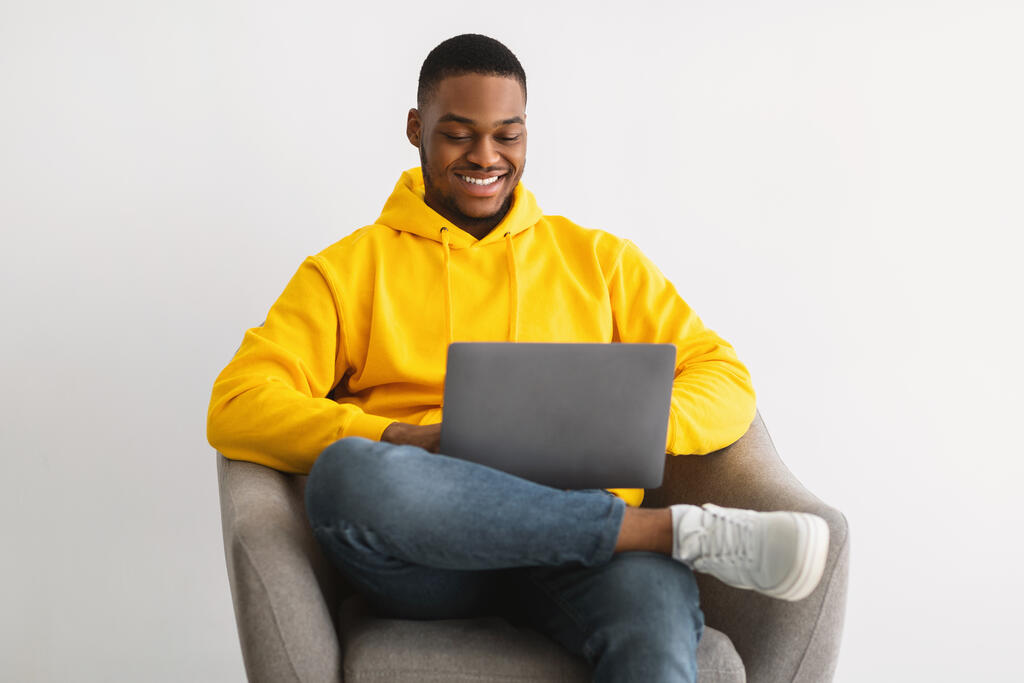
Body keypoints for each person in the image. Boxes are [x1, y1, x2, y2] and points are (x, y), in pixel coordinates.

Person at [207, 34, 829, 683]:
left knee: (652, 619)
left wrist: (627, 428)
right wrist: (403, 438)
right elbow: (237, 403)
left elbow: (723, 377)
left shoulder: (600, 260)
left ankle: (634, 537)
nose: (486, 156)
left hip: (588, 563)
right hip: (433, 562)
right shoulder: (348, 270)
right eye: (458, 134)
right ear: (417, 129)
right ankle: (661, 530)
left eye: (507, 135)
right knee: (346, 476)